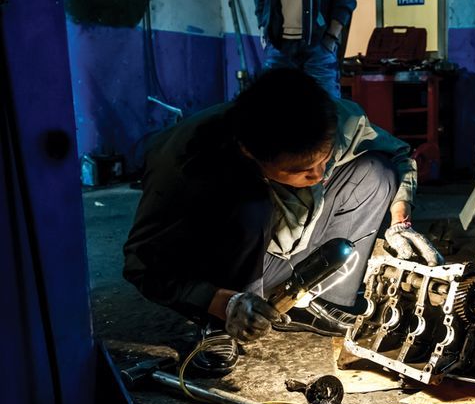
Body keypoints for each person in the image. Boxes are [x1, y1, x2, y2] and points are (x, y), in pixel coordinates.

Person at [123, 68, 442, 375]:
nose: (318, 175)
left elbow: (400, 156)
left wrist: (400, 220)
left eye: (325, 157)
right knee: (251, 205)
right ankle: (223, 321)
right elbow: (141, 266)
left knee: (377, 172)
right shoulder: (187, 166)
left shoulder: (332, 119)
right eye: (302, 169)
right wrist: (218, 301)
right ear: (250, 151)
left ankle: (321, 300)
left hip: (291, 243)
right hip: (234, 265)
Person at [254, 0, 358, 97]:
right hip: (278, 45)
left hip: (319, 44)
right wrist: (263, 24)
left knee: (327, 109)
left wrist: (333, 33)